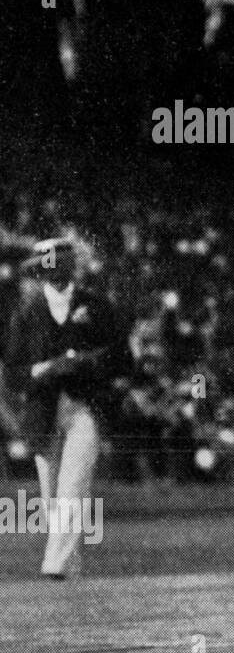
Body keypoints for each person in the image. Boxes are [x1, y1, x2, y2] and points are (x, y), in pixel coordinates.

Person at [3, 237, 129, 578]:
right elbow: (13, 372)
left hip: (83, 407)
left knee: (73, 487)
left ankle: (54, 566)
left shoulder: (96, 305)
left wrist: (86, 362)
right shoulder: (28, 312)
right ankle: (69, 567)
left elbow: (122, 358)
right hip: (43, 409)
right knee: (51, 498)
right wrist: (44, 369)